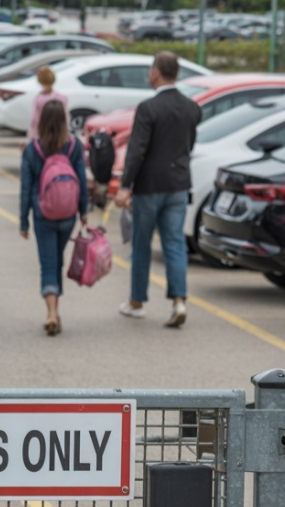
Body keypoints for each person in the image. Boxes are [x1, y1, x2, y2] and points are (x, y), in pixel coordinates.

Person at [114, 52, 201, 328]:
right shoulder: (191, 108)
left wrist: (125, 186)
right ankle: (179, 301)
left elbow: (137, 150)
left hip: (149, 186)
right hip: (178, 184)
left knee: (142, 243)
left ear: (155, 73)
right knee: (174, 243)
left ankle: (137, 301)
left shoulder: (148, 108)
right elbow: (189, 144)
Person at [19, 100, 90, 336]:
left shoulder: (32, 149)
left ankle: (50, 312)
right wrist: (84, 212)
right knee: (57, 260)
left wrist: (23, 220)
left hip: (43, 214)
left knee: (48, 262)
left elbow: (26, 188)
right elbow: (81, 180)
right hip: (68, 214)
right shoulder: (74, 146)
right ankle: (56, 311)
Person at [29, 65, 68, 141]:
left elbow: (34, 121)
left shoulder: (38, 99)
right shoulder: (61, 98)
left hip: (42, 136)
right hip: (59, 136)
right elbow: (65, 119)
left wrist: (31, 137)